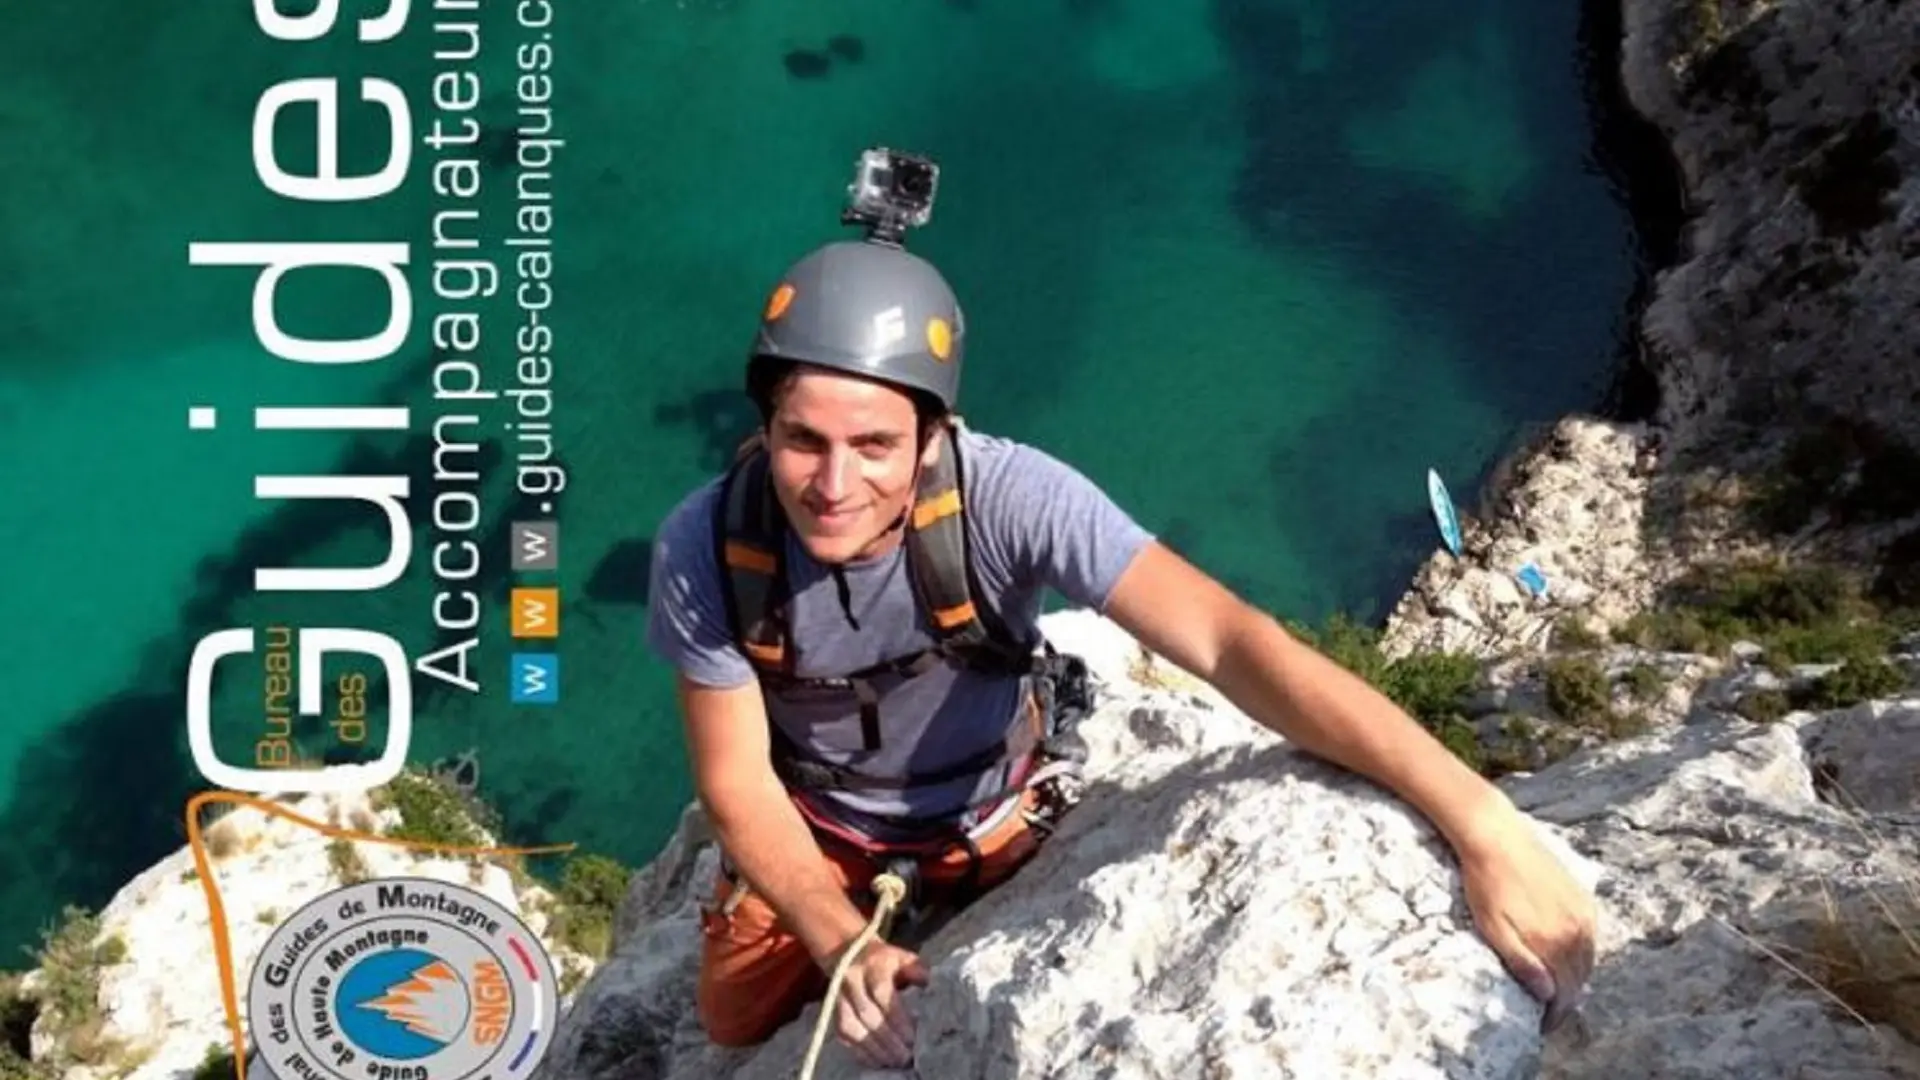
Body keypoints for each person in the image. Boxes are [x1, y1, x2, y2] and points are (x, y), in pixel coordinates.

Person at [645, 235, 1596, 1070]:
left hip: (995, 810)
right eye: (802, 440)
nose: (835, 483)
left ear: (934, 436)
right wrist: (834, 933)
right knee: (731, 1026)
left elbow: (1229, 644)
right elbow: (737, 780)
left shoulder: (1011, 502)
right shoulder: (710, 546)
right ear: (763, 427)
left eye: (877, 444)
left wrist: (1481, 820)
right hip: (828, 829)